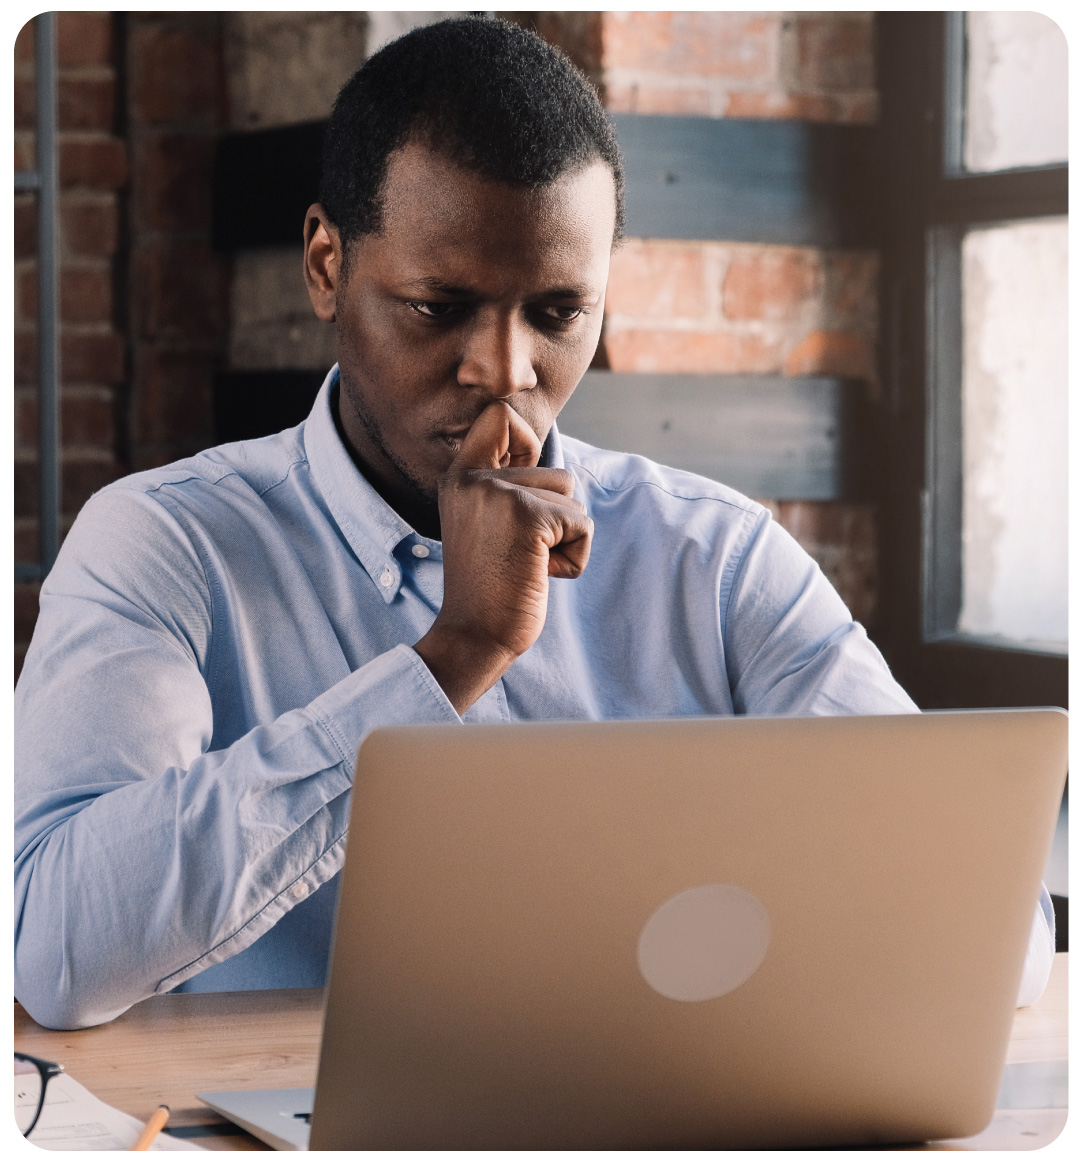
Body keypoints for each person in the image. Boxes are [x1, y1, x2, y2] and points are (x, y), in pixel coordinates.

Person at [14, 17, 1054, 1031]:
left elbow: (1001, 934)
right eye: (440, 305)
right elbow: (54, 950)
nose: (505, 369)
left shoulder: (718, 559)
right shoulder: (163, 544)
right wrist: (452, 655)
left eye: (558, 313)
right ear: (327, 267)